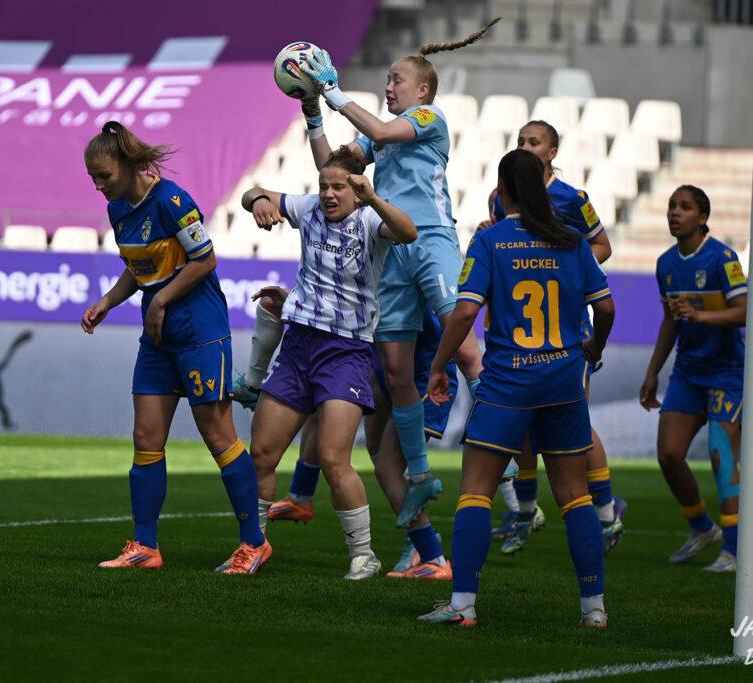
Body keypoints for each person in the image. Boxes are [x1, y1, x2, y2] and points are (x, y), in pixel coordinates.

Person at [297, 22, 499, 528]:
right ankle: (421, 475)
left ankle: (505, 448)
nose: (389, 88)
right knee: (394, 369)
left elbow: (385, 131)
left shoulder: (428, 118)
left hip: (431, 239)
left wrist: (334, 91)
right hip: (390, 248)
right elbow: (333, 171)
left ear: (422, 89)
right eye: (387, 80)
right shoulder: (377, 140)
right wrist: (314, 115)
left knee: (466, 349)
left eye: (396, 80)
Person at [418, 149, 616, 627]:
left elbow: (465, 311)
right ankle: (594, 609)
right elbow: (606, 308)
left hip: (507, 383)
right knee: (575, 496)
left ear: (502, 189)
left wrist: (439, 365)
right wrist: (593, 346)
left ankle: (463, 605)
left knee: (476, 492)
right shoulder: (572, 241)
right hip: (563, 382)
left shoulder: (490, 241)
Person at [82, 121, 265, 574]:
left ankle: (254, 543)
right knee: (146, 437)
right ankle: (145, 546)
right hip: (159, 337)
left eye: (104, 175)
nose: (99, 185)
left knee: (218, 437)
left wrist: (161, 300)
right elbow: (139, 268)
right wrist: (107, 301)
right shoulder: (118, 209)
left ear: (128, 165)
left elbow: (205, 260)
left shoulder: (172, 201)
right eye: (93, 178)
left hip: (200, 331)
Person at [241, 146, 418, 579]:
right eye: (324, 186)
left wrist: (373, 198)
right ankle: (252, 546)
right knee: (261, 454)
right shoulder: (308, 209)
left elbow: (409, 232)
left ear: (357, 190)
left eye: (339, 187)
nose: (328, 194)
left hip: (346, 351)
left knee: (333, 458)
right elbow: (251, 193)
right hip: (299, 345)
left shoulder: (371, 220)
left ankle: (363, 554)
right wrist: (259, 200)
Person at [482, 120, 625, 555]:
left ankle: (607, 515)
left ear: (553, 152)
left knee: (576, 423)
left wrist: (568, 270)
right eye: (520, 141)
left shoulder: (572, 199)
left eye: (534, 141)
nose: (526, 146)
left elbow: (601, 246)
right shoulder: (499, 197)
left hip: (567, 330)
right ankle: (526, 513)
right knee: (524, 429)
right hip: (518, 332)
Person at [263, 302, 459, 580]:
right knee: (328, 402)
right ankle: (300, 497)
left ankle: (432, 555)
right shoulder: (370, 285)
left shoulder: (413, 284)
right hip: (385, 374)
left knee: (388, 468)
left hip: (423, 383)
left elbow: (457, 322)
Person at [639, 185, 746, 573]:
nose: (675, 212)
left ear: (703, 218)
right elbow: (670, 321)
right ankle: (702, 527)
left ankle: (733, 550)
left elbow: (745, 311)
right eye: (672, 206)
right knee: (669, 454)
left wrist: (701, 316)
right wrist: (653, 372)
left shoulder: (723, 258)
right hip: (687, 373)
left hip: (727, 373)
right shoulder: (666, 264)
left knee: (721, 456)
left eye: (684, 207)